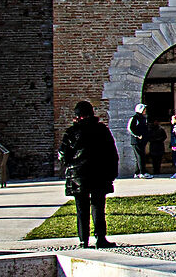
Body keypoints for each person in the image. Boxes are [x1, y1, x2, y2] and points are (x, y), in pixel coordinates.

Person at [55, 100, 119, 248]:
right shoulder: (101, 130)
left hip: (78, 175)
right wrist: (112, 173)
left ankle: (83, 239)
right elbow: (112, 153)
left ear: (78, 116)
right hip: (99, 173)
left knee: (81, 209)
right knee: (98, 207)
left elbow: (63, 154)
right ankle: (100, 238)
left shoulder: (72, 132)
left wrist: (70, 165)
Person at [127, 103, 154, 178]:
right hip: (136, 141)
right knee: (140, 157)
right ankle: (142, 173)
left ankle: (137, 172)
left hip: (142, 141)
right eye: (144, 109)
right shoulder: (135, 118)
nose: (145, 111)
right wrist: (138, 135)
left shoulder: (143, 118)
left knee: (140, 157)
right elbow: (130, 128)